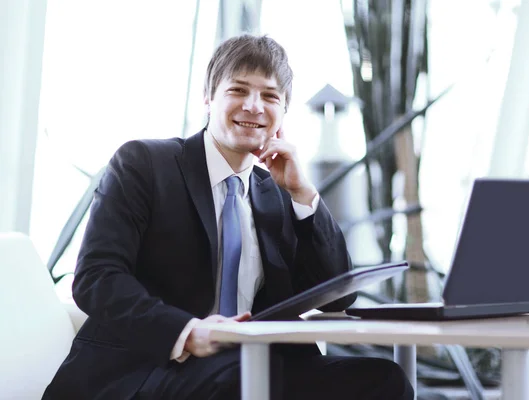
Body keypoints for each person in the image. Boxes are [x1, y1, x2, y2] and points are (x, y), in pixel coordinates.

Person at [43, 34, 414, 400]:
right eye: (238, 90)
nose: (254, 106)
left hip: (253, 365)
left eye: (270, 96)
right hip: (148, 367)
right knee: (243, 380)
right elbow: (96, 278)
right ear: (208, 99)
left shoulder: (276, 193)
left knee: (385, 380)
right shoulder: (144, 164)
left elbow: (336, 298)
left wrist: (303, 195)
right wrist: (187, 331)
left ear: (283, 113)